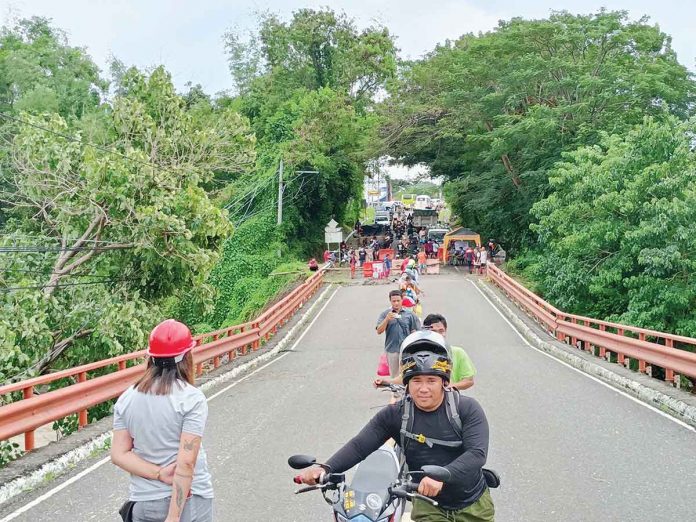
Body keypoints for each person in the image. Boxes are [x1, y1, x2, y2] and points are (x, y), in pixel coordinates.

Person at [300, 331, 494, 521]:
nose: (423, 388)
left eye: (431, 380)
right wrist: (327, 468)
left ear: (444, 382)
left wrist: (443, 476)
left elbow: (477, 454)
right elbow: (360, 445)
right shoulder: (396, 414)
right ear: (407, 384)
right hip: (428, 503)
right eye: (416, 380)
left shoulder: (466, 408)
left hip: (473, 504)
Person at [111, 319, 214, 522]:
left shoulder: (127, 398)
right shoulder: (190, 398)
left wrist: (158, 473)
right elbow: (186, 463)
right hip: (189, 503)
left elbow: (119, 454)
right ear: (187, 356)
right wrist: (173, 518)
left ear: (150, 357)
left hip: (144, 503)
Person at [375, 313, 476, 391]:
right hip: (420, 400)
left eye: (441, 331)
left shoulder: (458, 352)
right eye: (434, 332)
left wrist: (449, 387)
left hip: (450, 400)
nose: (439, 335)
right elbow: (406, 377)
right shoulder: (416, 353)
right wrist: (387, 381)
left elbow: (469, 381)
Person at [376, 289, 421, 377]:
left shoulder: (410, 314)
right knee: (395, 375)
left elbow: (416, 332)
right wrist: (387, 319)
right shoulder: (385, 314)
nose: (396, 303)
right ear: (390, 301)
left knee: (409, 374)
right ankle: (395, 391)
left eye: (398, 300)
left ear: (402, 300)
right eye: (393, 301)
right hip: (392, 350)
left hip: (407, 350)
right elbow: (379, 331)